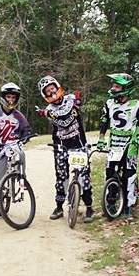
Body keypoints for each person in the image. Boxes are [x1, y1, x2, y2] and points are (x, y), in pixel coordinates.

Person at [36, 75, 95, 222]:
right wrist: (48, 113)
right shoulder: (49, 109)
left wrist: (77, 102)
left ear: (57, 87)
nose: (52, 92)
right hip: (61, 146)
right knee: (61, 177)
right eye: (48, 91)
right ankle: (59, 207)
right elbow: (63, 122)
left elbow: (73, 113)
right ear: (45, 95)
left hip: (79, 144)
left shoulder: (70, 99)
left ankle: (89, 208)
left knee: (83, 176)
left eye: (52, 88)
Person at [95, 73, 139, 219]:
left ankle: (127, 204)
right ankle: (111, 203)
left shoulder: (137, 106)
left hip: (130, 144)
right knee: (110, 173)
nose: (113, 89)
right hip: (114, 144)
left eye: (117, 86)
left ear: (126, 88)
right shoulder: (109, 103)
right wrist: (101, 139)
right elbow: (103, 121)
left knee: (128, 174)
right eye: (113, 85)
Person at [0, 83, 32, 221]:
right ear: (3, 97)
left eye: (13, 97)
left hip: (13, 145)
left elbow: (26, 130)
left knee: (21, 154)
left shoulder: (19, 116)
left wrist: (24, 139)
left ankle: (22, 176)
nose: (10, 99)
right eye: (8, 96)